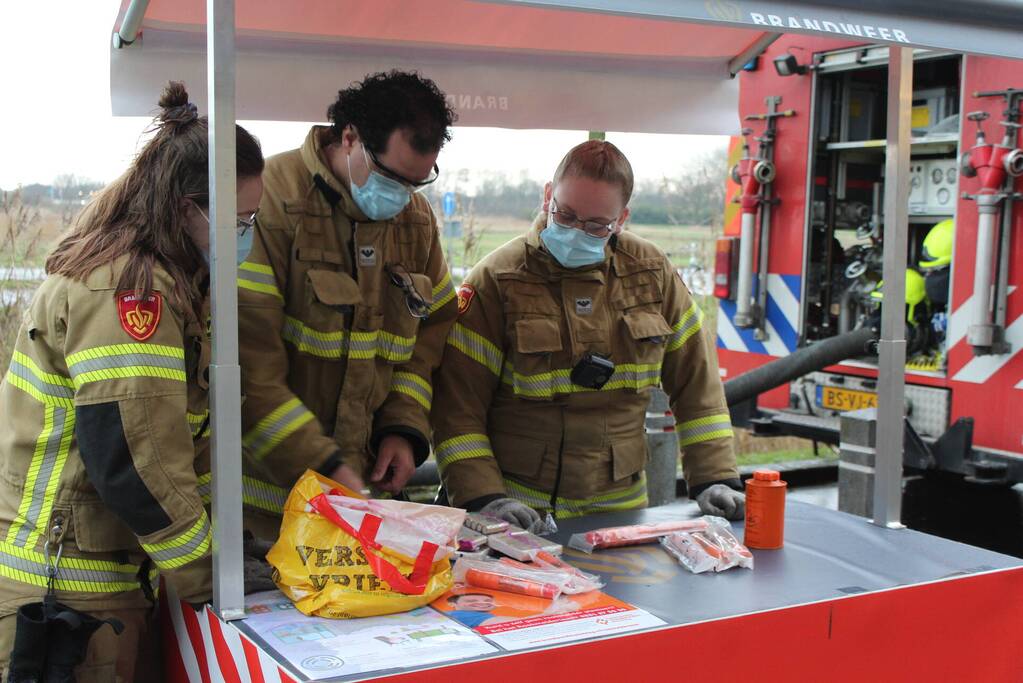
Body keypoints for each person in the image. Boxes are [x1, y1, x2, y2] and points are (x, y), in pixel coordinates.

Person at [0, 82, 264, 681]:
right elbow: (134, 459)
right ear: (185, 207)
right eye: (236, 220)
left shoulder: (173, 283)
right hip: (65, 595)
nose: (245, 234)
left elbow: (177, 441)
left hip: (101, 584)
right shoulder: (129, 293)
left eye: (251, 219)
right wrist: (211, 574)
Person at [431, 141, 744, 527]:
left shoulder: (652, 275)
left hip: (620, 512)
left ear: (622, 218)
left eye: (596, 224)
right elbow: (456, 408)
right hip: (516, 513)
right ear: (548, 196)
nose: (577, 231)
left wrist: (714, 478)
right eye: (565, 215)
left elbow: (699, 390)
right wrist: (485, 498)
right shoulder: (499, 279)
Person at [237, 71, 459, 536]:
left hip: (364, 504)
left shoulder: (416, 222)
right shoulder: (270, 199)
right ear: (350, 136)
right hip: (263, 508)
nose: (401, 198)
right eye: (391, 178)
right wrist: (326, 467)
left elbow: (427, 343)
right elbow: (247, 367)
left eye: (415, 184)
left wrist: (402, 429)